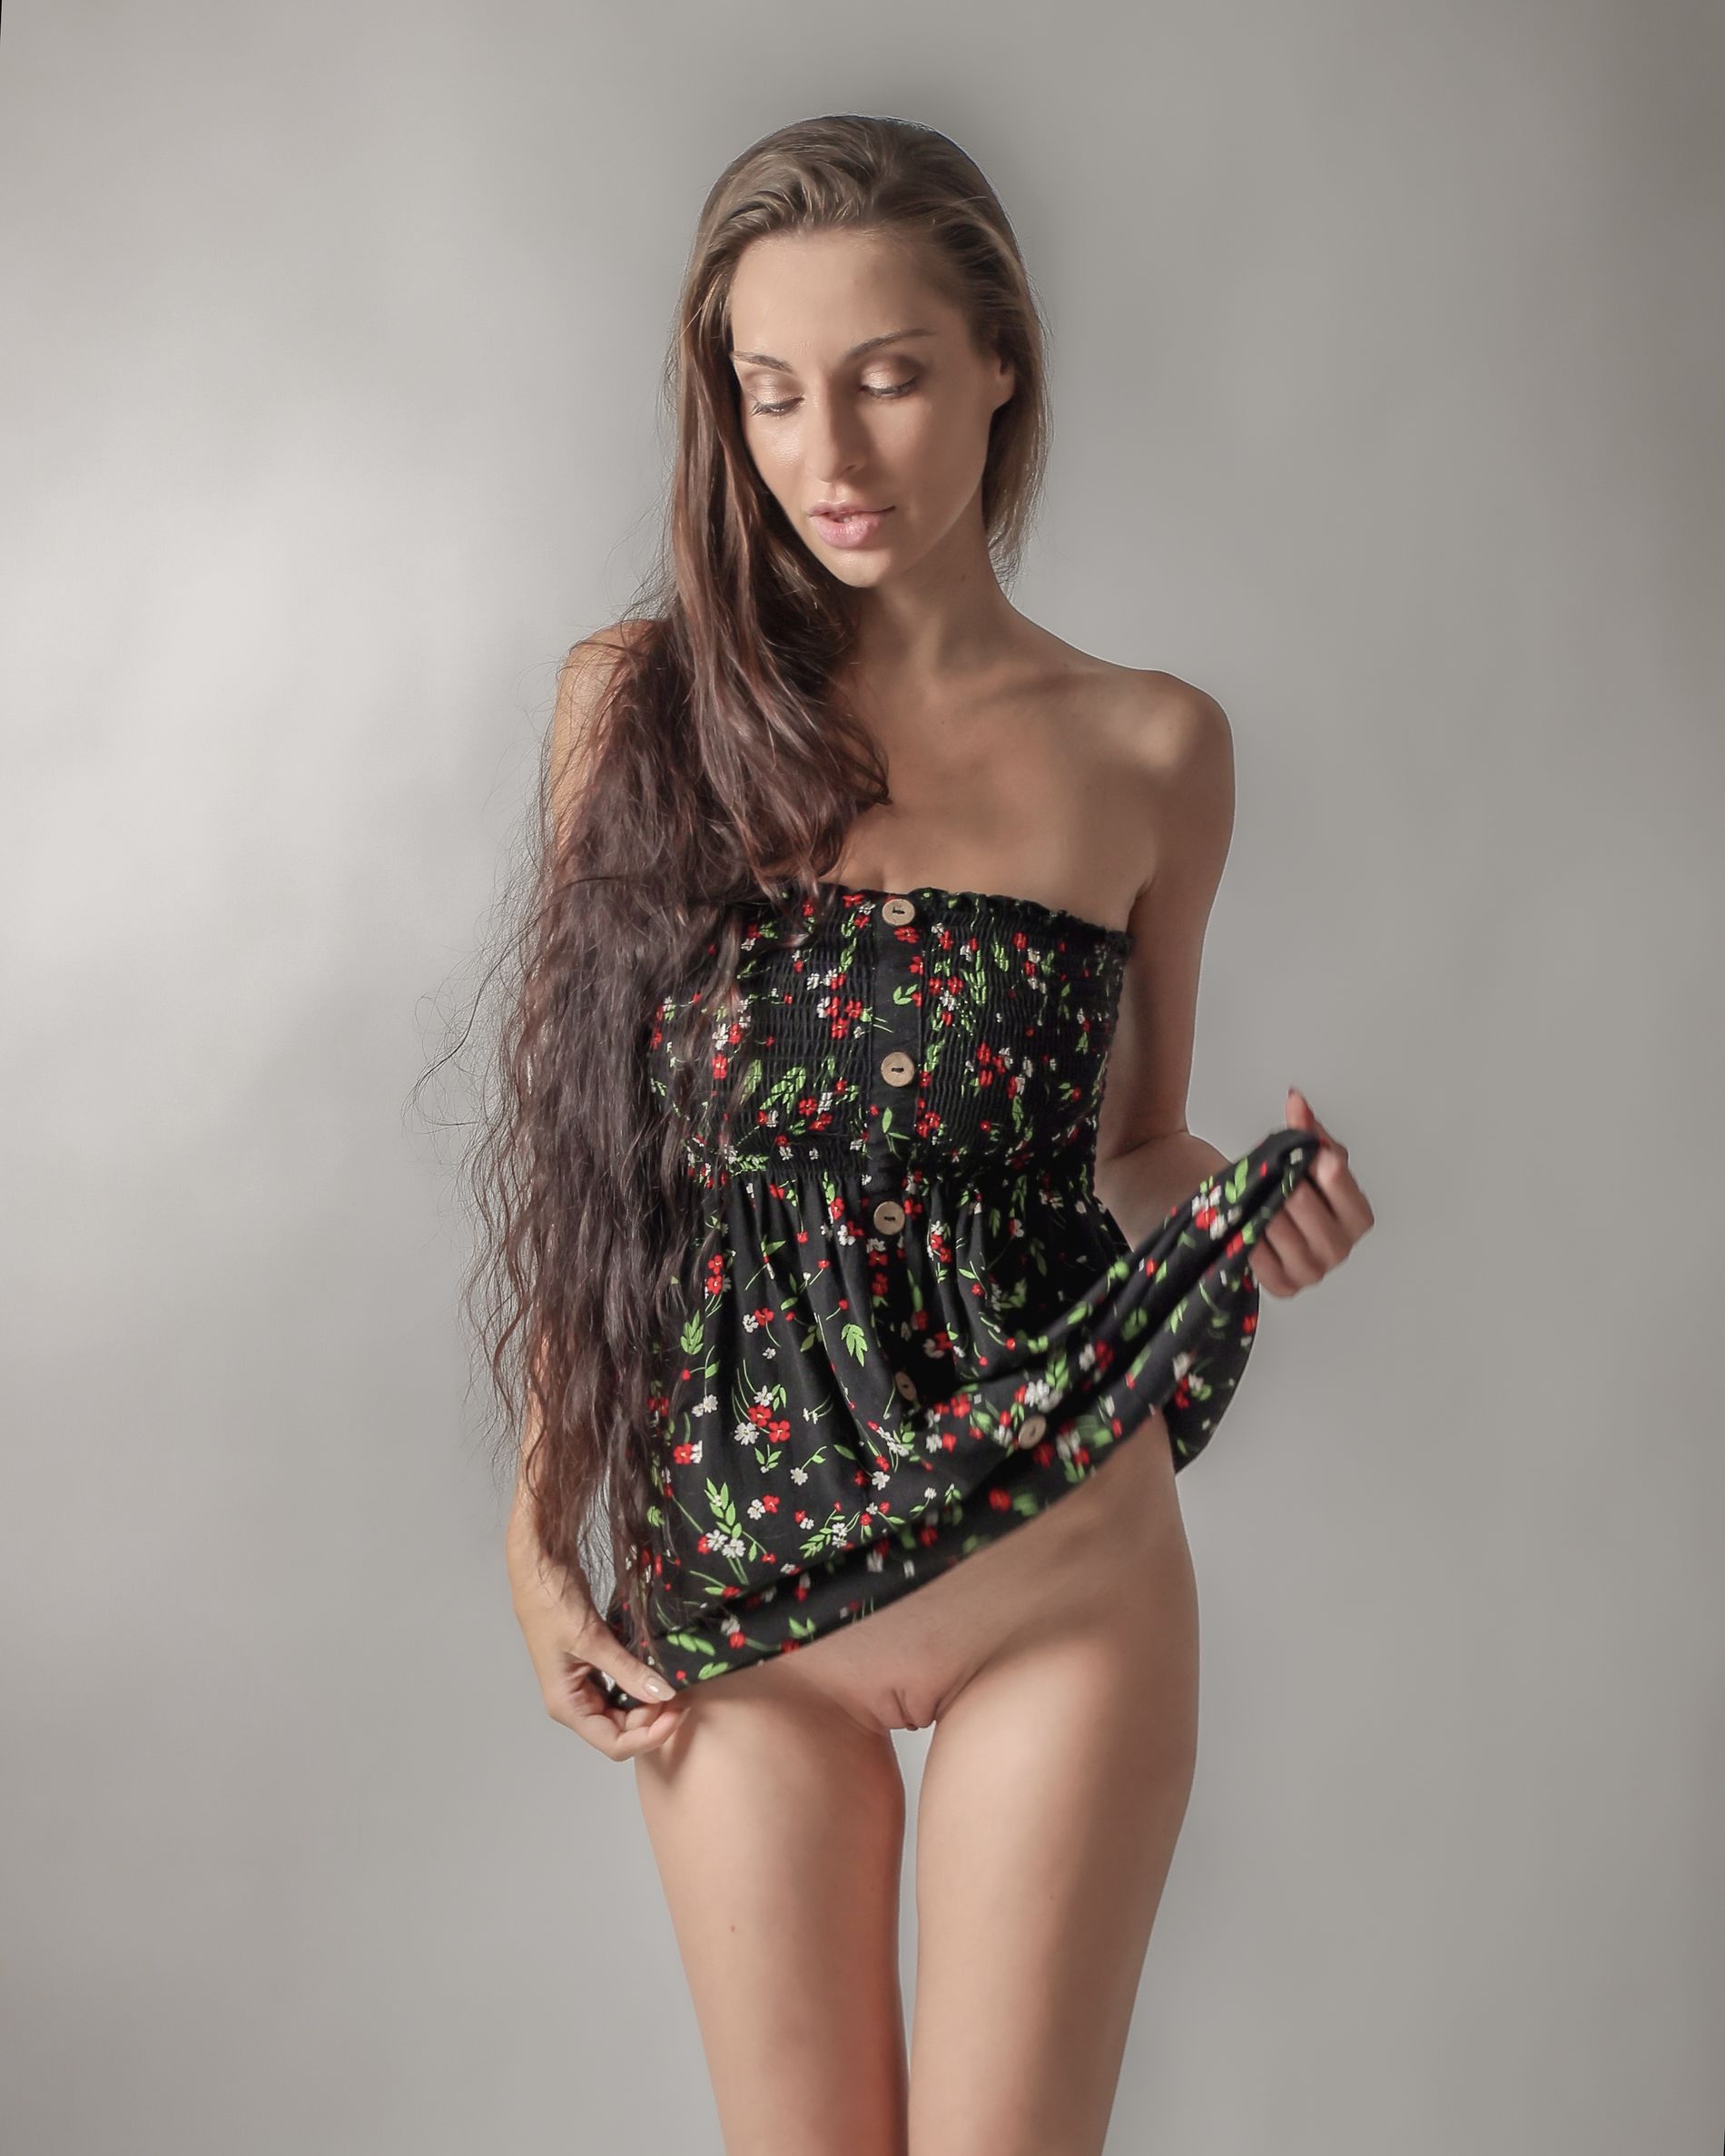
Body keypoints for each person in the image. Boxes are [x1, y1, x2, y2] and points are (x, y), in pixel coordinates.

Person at [487, 113, 1375, 2156]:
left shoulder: (1149, 748)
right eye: (772, 391)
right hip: (736, 1574)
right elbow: (588, 1166)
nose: (830, 454)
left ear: (998, 365)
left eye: (886, 377)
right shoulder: (633, 709)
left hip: (1052, 1570)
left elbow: (1133, 1146)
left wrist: (1256, 1210)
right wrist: (536, 1530)